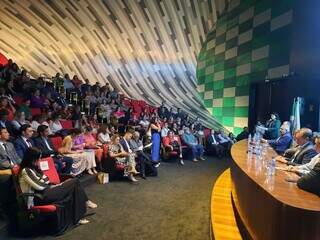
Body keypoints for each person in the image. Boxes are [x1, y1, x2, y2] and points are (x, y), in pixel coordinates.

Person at [18, 147, 97, 228]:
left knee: (73, 187)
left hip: (46, 192)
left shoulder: (35, 168)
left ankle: (77, 218)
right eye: (38, 158)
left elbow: (46, 179)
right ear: (32, 158)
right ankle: (85, 203)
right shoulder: (26, 171)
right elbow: (39, 186)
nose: (39, 161)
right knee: (74, 182)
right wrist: (46, 182)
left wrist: (43, 181)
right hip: (38, 198)